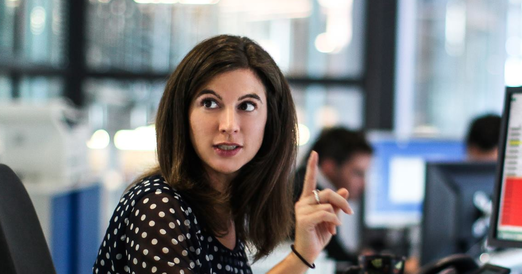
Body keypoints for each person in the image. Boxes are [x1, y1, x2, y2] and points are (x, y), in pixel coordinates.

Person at [93, 35, 353, 274]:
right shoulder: (159, 206)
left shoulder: (221, 205)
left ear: (270, 122)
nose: (229, 125)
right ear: (183, 115)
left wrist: (303, 253)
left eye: (247, 105)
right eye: (209, 103)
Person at [291, 127, 373, 264]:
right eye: (358, 173)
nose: (364, 184)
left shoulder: (301, 183)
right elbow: (335, 258)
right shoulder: (307, 195)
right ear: (330, 167)